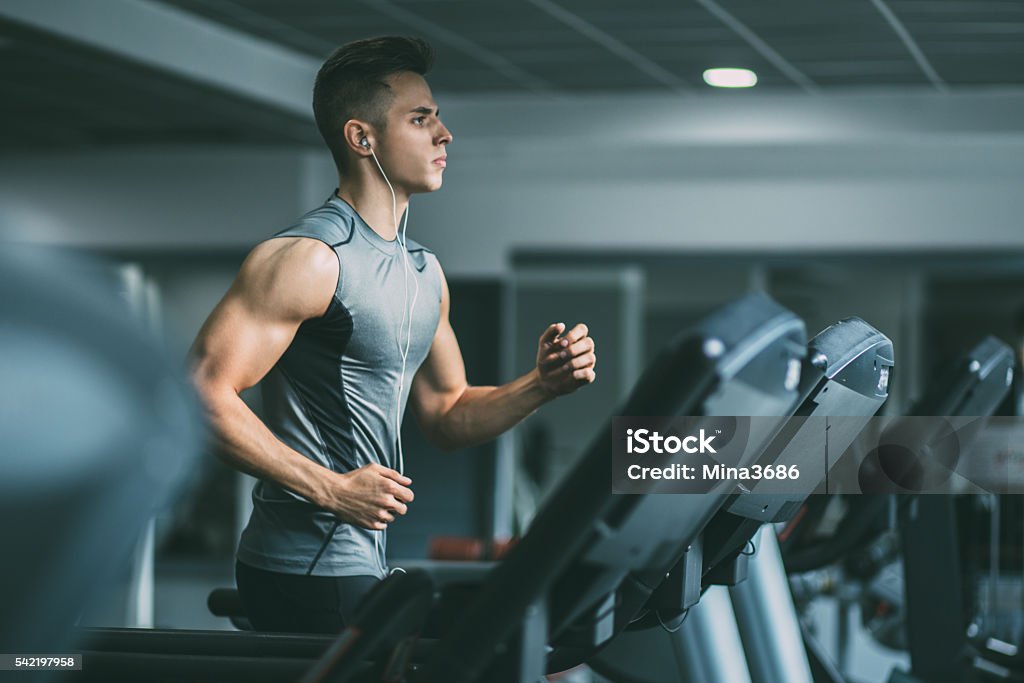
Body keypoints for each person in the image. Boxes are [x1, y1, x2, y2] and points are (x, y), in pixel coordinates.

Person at [188, 35, 597, 633]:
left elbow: (448, 414)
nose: (444, 134)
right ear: (363, 138)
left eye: (438, 117)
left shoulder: (423, 271)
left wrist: (542, 385)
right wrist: (329, 490)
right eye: (420, 118)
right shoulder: (311, 258)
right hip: (304, 565)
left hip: (364, 559)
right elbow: (201, 395)